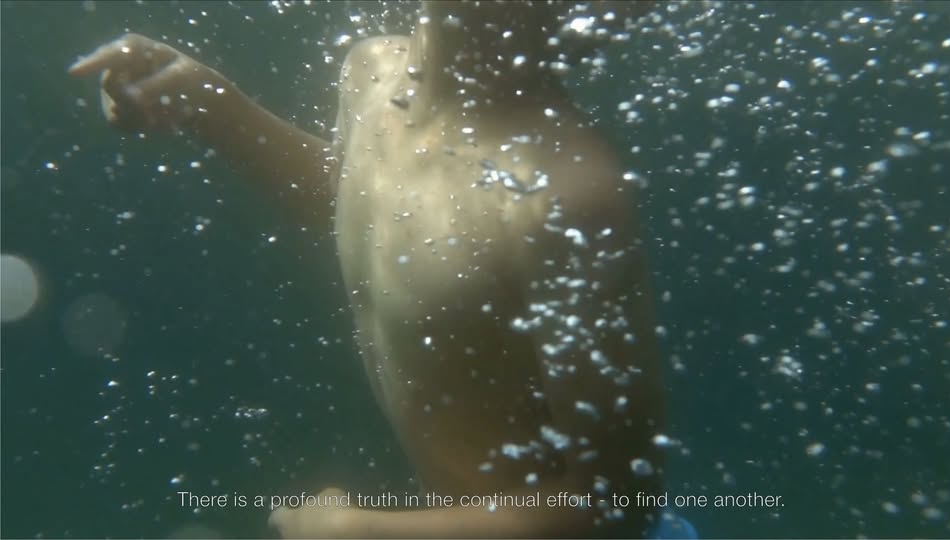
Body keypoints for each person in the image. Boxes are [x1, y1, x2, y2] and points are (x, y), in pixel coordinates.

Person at [70, 1, 675, 537]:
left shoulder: (563, 194)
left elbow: (621, 506)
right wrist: (211, 106)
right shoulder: (372, 72)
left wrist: (363, 531)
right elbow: (362, 196)